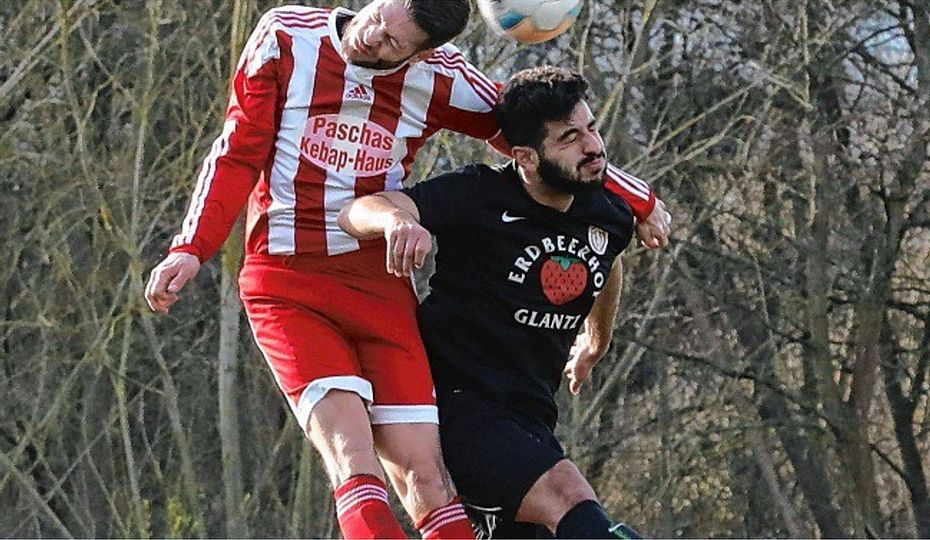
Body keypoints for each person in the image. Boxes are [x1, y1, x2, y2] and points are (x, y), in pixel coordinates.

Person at [144, 0, 668, 537]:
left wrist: (638, 200)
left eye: (394, 44)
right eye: (378, 17)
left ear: (422, 55)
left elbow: (535, 134)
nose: (372, 39)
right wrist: (192, 247)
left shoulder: (439, 78)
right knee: (354, 460)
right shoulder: (285, 36)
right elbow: (237, 149)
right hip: (287, 285)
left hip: (380, 288)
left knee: (427, 479)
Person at [339, 66, 658, 538]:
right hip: (454, 403)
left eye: (591, 128)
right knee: (568, 496)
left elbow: (607, 261)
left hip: (530, 414)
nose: (592, 146)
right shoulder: (478, 195)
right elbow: (355, 211)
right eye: (570, 137)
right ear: (526, 157)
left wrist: (598, 337)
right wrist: (397, 223)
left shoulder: (606, 211)